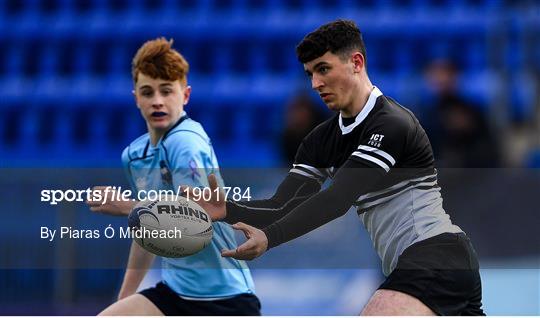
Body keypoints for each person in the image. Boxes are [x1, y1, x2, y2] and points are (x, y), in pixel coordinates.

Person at [188, 20, 485, 315]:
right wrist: (229, 210)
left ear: (356, 62)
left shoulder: (392, 123)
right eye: (310, 74)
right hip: (417, 266)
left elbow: (337, 199)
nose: (315, 83)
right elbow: (282, 205)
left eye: (323, 69)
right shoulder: (320, 141)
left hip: (437, 254)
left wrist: (270, 237)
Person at [86, 38, 260, 315]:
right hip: (176, 292)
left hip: (226, 297)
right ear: (136, 98)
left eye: (166, 91)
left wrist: (127, 207)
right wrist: (123, 298)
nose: (157, 101)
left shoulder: (187, 141)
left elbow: (194, 222)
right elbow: (149, 231)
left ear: (185, 95)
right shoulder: (134, 155)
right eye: (147, 92)